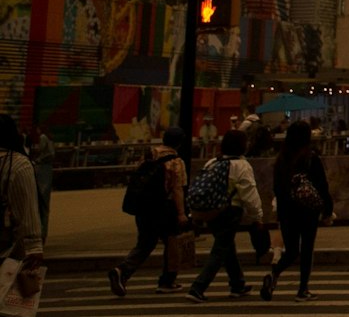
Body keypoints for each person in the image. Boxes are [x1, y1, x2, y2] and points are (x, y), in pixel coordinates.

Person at [109, 125, 190, 296]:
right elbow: (177, 190)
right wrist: (182, 213)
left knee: (146, 243)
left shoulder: (149, 155)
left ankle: (122, 270)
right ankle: (167, 281)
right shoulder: (176, 161)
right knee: (172, 243)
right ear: (180, 143)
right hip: (164, 208)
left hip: (144, 207)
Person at [187, 128, 262, 301]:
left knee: (227, 247)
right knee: (221, 249)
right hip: (230, 211)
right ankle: (198, 287)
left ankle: (238, 284)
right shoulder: (242, 165)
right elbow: (249, 194)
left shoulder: (213, 162)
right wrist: (257, 216)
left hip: (211, 211)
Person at [262, 122, 333, 301]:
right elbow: (322, 185)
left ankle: (275, 273)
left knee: (292, 250)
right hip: (308, 211)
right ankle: (303, 289)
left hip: (287, 210)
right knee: (307, 249)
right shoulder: (311, 158)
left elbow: (277, 187)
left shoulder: (282, 159)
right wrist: (327, 209)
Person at [0, 115, 46, 307]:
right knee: (11, 306)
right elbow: (27, 210)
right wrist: (34, 246)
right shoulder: (18, 164)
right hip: (7, 247)